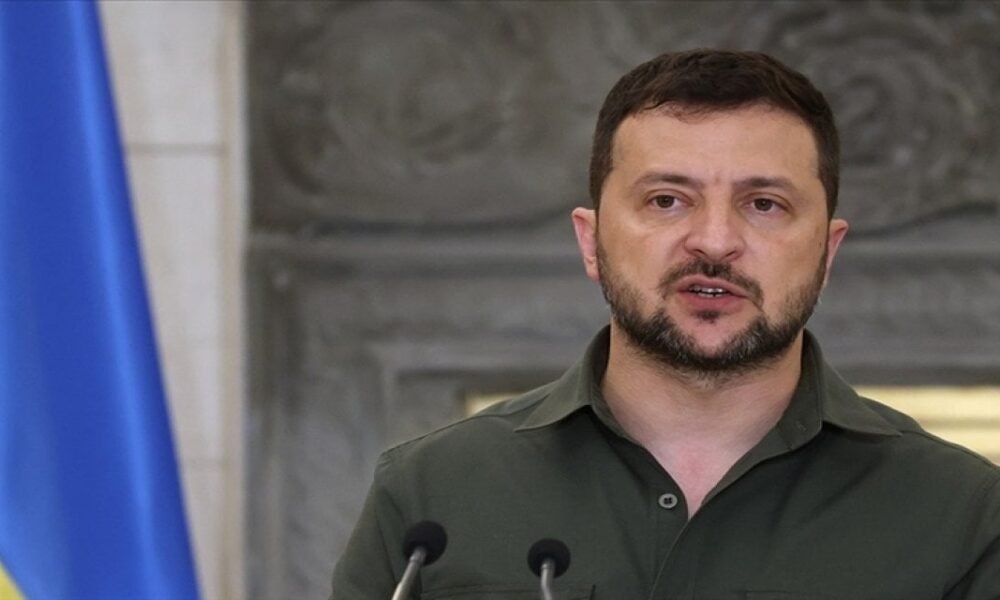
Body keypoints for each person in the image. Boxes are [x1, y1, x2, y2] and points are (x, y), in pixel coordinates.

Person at [331, 49, 1000, 599]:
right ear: (591, 241)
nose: (715, 241)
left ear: (826, 252)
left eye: (764, 204)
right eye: (666, 200)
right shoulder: (430, 492)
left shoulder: (963, 514)